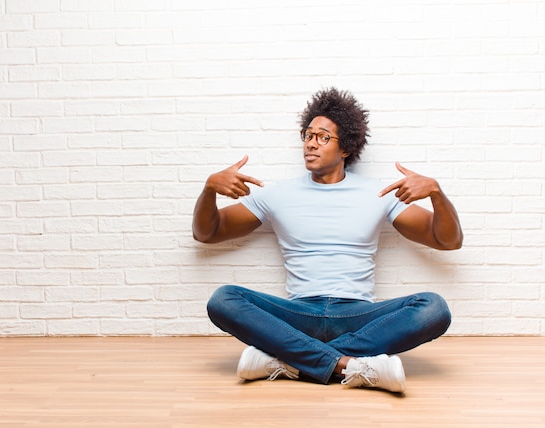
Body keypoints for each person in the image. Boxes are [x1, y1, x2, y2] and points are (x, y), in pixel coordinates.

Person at [192, 88, 463, 394]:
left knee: (433, 308)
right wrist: (209, 191)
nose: (310, 143)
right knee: (223, 300)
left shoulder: (378, 194)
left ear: (345, 147)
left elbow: (448, 241)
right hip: (298, 315)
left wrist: (437, 195)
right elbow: (207, 233)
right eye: (307, 135)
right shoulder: (277, 194)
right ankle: (349, 365)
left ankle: (289, 360)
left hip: (358, 316)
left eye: (322, 137)